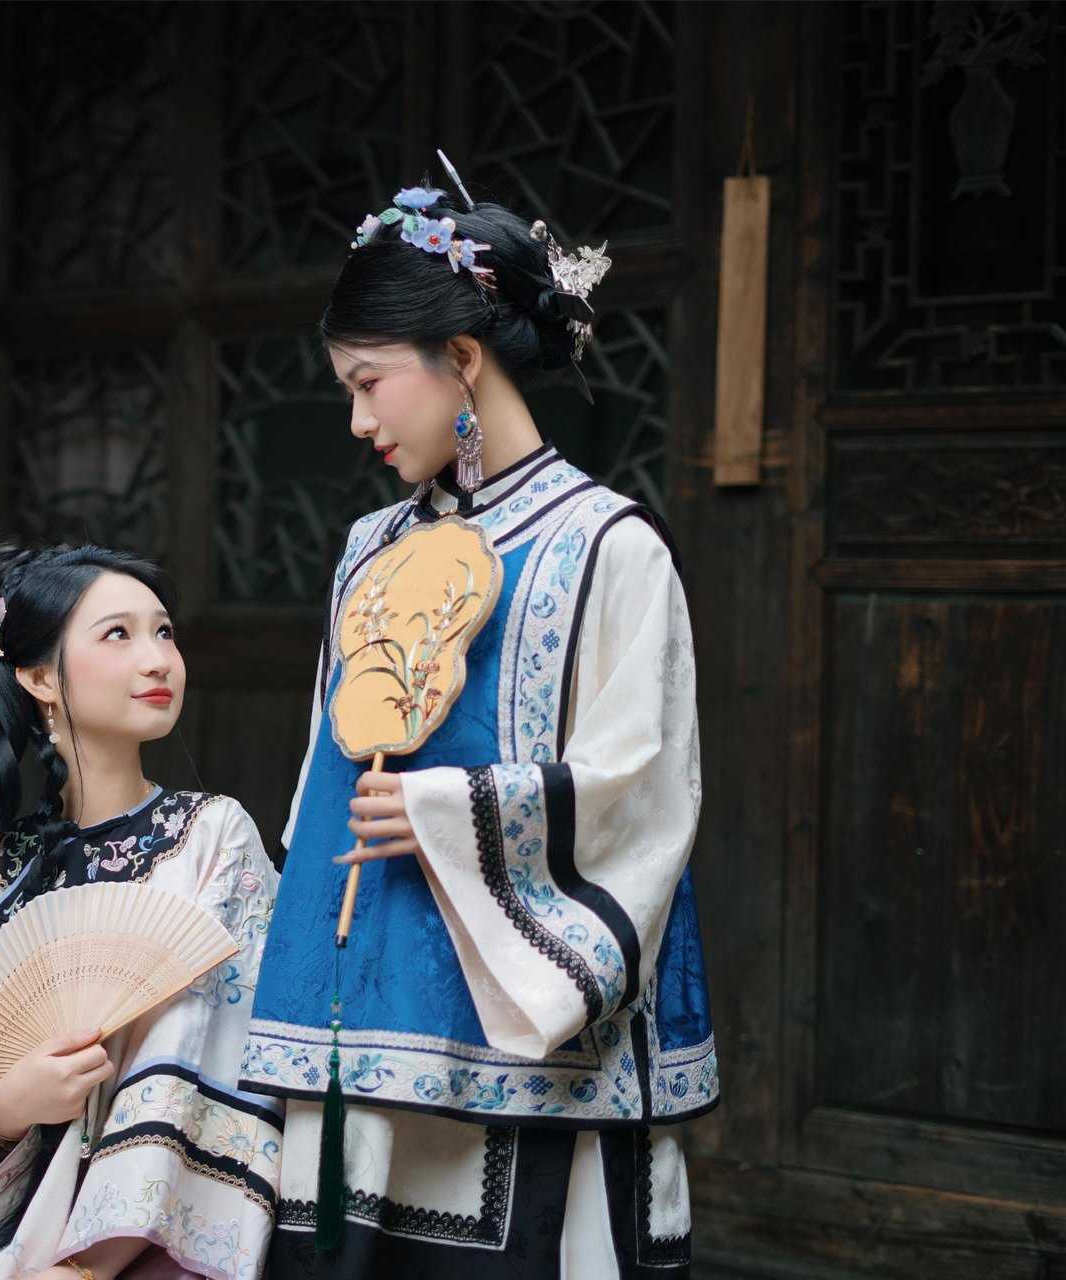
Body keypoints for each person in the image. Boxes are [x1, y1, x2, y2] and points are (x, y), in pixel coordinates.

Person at [240, 168, 716, 1277]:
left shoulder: (608, 545)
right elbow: (324, 772)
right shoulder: (368, 547)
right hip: (361, 1022)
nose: (356, 421)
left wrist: (450, 810)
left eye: (369, 383)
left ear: (461, 356)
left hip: (528, 1033)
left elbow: (642, 790)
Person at [0, 543, 282, 1280]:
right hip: (8, 1209)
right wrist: (6, 1105)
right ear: (39, 676)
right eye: (119, 634)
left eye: (164, 632)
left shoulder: (212, 837)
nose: (158, 659)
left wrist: (90, 1265)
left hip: (163, 1225)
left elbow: (214, 1055)